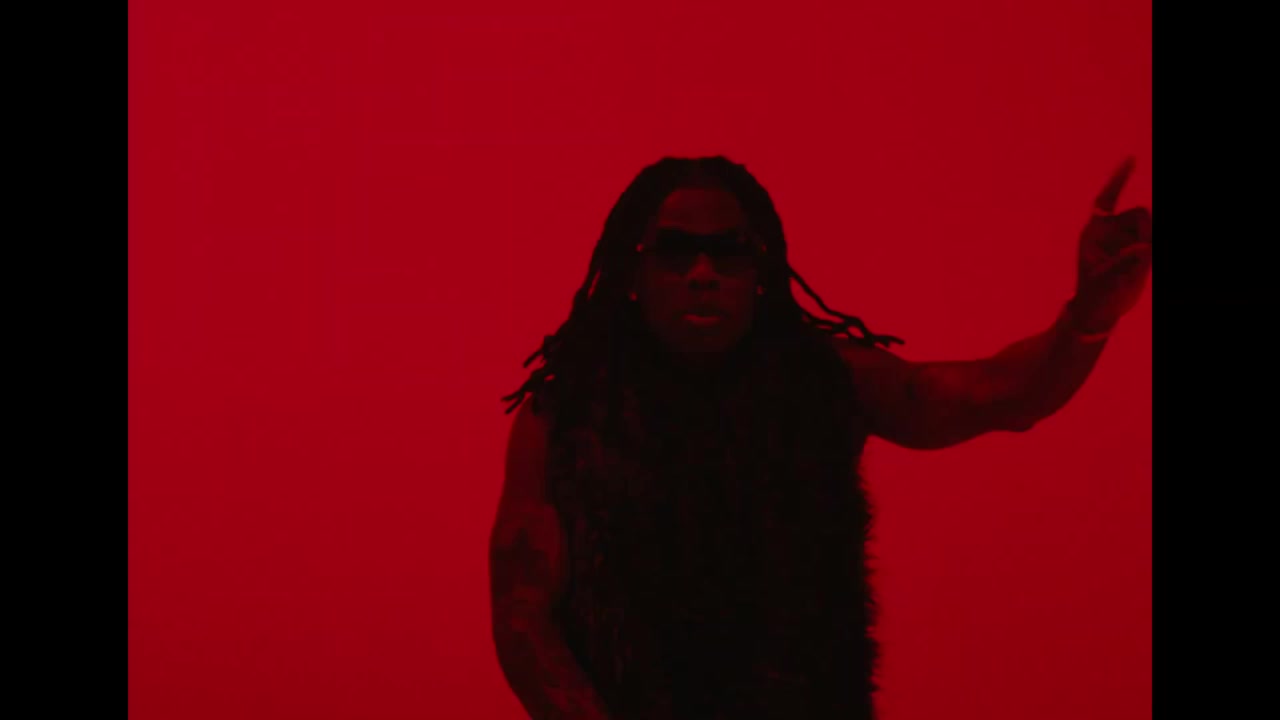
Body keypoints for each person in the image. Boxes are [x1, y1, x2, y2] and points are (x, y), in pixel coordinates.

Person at [487, 156, 1151, 720]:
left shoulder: (824, 378)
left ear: (759, 269)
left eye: (727, 251)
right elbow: (523, 617)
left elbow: (1000, 395)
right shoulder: (567, 412)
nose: (702, 272)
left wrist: (1086, 320)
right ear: (633, 272)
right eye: (675, 251)